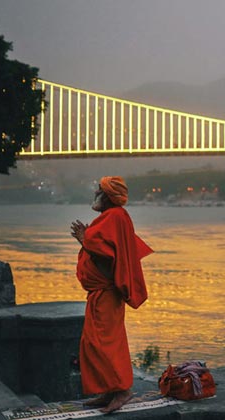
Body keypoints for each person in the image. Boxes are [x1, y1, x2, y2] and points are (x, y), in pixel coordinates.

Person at [69, 176, 152, 414]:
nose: (96, 192)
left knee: (106, 343)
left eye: (100, 190)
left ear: (108, 196)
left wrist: (85, 240)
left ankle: (123, 390)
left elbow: (108, 258)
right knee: (93, 343)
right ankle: (108, 390)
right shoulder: (109, 218)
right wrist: (86, 241)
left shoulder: (116, 217)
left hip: (107, 294)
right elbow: (106, 251)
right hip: (99, 295)